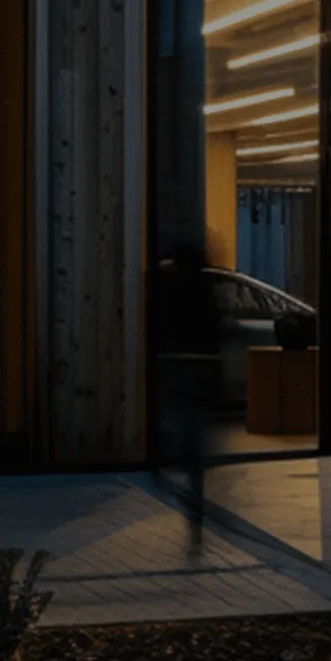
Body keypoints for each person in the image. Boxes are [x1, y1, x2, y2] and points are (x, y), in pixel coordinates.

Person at [150, 230, 222, 559]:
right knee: (194, 437)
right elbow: (216, 328)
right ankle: (194, 502)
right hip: (199, 367)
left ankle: (169, 474)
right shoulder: (205, 288)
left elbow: (159, 325)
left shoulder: (168, 288)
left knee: (177, 425)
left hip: (175, 366)